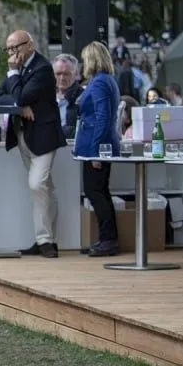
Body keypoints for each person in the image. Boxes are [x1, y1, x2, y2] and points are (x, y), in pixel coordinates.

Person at [0, 30, 65, 258]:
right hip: (23, 135)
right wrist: (20, 106)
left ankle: (44, 240)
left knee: (37, 184)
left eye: (15, 47)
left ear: (30, 45)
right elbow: (1, 96)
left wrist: (14, 77)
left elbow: (20, 96)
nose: (12, 52)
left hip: (44, 136)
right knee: (44, 188)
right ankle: (47, 239)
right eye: (8, 48)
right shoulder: (17, 69)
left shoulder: (42, 68)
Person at [73, 41, 122, 258]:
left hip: (97, 145)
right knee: (100, 191)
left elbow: (102, 117)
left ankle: (109, 240)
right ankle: (106, 238)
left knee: (96, 192)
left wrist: (94, 152)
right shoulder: (105, 80)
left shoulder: (100, 82)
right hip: (100, 143)